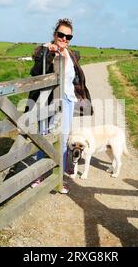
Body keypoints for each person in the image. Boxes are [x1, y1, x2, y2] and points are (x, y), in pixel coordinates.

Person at [27, 18, 93, 194]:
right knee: (44, 136)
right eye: (61, 35)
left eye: (68, 36)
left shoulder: (70, 55)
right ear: (55, 34)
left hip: (68, 101)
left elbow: (76, 80)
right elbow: (35, 72)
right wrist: (49, 54)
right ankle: (40, 175)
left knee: (63, 140)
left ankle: (58, 178)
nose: (64, 39)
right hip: (47, 101)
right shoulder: (45, 50)